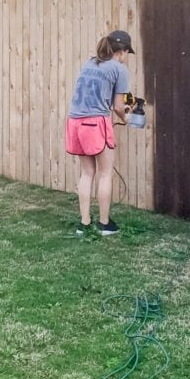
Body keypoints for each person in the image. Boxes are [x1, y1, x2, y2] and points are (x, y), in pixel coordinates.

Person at [66, 29, 134, 236]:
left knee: (87, 173)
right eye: (126, 54)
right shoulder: (119, 69)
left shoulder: (90, 63)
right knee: (105, 174)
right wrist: (127, 118)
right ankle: (105, 224)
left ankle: (84, 224)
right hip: (96, 123)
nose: (125, 58)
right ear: (121, 51)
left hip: (75, 122)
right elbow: (118, 107)